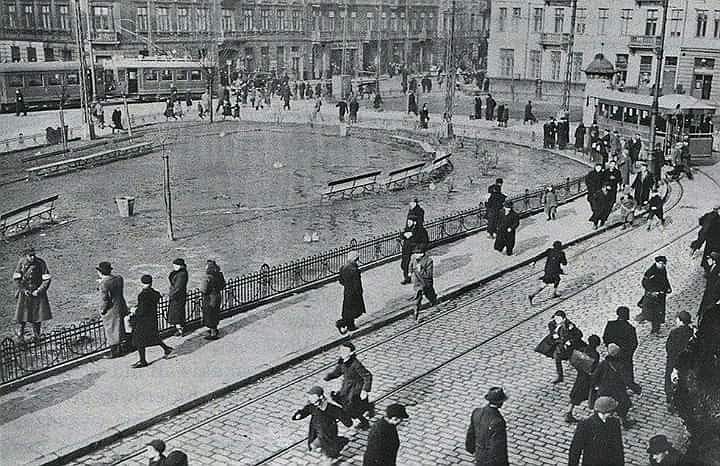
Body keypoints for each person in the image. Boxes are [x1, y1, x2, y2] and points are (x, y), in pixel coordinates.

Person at [292, 386, 352, 464]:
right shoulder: (312, 405)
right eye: (310, 396)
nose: (310, 398)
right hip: (315, 431)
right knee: (313, 446)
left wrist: (347, 422)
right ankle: (338, 444)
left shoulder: (330, 407)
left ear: (320, 397)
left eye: (313, 396)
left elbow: (341, 414)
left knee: (327, 452)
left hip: (327, 432)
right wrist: (299, 414)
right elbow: (306, 410)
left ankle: (332, 454)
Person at [323, 342, 374, 429]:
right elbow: (337, 372)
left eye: (345, 351)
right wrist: (328, 377)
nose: (342, 353)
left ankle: (364, 422)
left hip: (355, 389)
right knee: (340, 400)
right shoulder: (342, 361)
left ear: (351, 353)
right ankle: (359, 414)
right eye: (341, 350)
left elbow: (367, 375)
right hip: (346, 386)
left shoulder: (355, 364)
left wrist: (365, 390)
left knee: (350, 407)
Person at [129, 275, 174, 368]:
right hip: (152, 319)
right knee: (152, 336)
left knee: (139, 340)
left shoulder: (143, 295)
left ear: (141, 283)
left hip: (143, 321)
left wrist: (134, 310)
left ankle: (143, 361)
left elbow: (142, 310)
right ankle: (166, 349)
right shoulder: (155, 293)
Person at [591, 344, 637, 428]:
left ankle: (601, 422)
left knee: (603, 406)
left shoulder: (603, 363)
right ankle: (624, 421)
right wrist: (636, 388)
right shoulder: (621, 365)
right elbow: (627, 380)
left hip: (604, 390)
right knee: (625, 404)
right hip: (617, 391)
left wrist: (596, 385)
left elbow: (595, 376)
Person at [568, 396, 624, 466]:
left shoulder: (615, 423)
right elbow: (575, 450)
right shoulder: (585, 425)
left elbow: (618, 448)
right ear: (608, 412)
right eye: (613, 411)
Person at [13, 247, 52, 342]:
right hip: (25, 293)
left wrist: (39, 290)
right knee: (22, 315)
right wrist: (23, 289)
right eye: (30, 255)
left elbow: (46, 279)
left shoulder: (41, 263)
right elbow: (16, 278)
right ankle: (20, 335)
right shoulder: (21, 263)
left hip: (36, 293)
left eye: (34, 255)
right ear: (26, 256)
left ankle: (37, 335)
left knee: (37, 315)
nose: (33, 257)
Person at [465, 387, 509, 466]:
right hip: (492, 461)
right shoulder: (498, 422)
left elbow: (471, 433)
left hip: (479, 455)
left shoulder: (477, 412)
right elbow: (498, 448)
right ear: (500, 403)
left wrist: (471, 448)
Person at [565, 335, 601, 423]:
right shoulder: (595, 354)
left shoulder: (582, 349)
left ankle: (569, 412)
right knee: (593, 395)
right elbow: (593, 368)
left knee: (576, 395)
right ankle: (597, 415)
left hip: (580, 375)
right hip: (588, 379)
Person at [96, 261, 128, 358]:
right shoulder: (119, 278)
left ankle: (115, 352)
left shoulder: (104, 284)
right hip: (120, 306)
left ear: (101, 272)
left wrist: (102, 310)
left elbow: (105, 299)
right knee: (119, 327)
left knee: (111, 329)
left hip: (111, 309)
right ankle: (121, 347)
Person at [665, 311, 693, 412]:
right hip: (685, 361)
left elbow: (669, 347)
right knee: (682, 380)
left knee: (670, 380)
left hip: (673, 361)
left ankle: (670, 401)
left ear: (680, 321)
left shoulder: (674, 332)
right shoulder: (691, 331)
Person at [602, 306, 639, 385]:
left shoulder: (610, 324)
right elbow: (634, 344)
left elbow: (605, 337)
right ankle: (628, 385)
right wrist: (627, 353)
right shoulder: (630, 328)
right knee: (627, 371)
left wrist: (610, 347)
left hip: (613, 353)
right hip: (625, 356)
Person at [547, 310, 584, 384]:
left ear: (564, 319)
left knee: (574, 361)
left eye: (558, 319)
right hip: (560, 345)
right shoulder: (552, 324)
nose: (556, 321)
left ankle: (582, 374)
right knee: (557, 358)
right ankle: (560, 376)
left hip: (570, 346)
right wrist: (554, 335)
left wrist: (570, 341)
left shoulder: (570, 325)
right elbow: (551, 332)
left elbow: (579, 334)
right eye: (555, 319)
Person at [639, 256, 672, 335]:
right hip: (653, 296)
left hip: (661, 295)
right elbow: (644, 283)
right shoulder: (651, 271)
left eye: (664, 264)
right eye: (661, 263)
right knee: (655, 313)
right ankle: (654, 330)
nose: (663, 265)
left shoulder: (662, 269)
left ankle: (655, 328)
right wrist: (652, 292)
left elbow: (665, 279)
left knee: (659, 312)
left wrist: (668, 287)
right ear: (657, 263)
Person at [337, 250, 366, 334]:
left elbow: (341, 281)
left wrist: (347, 285)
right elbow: (357, 284)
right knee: (356, 310)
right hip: (354, 293)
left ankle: (351, 326)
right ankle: (341, 323)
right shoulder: (354, 270)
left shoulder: (343, 267)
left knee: (348, 309)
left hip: (347, 291)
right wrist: (359, 292)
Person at [410, 245, 438, 321]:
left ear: (422, 254)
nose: (416, 255)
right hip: (417, 282)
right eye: (415, 253)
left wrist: (421, 270)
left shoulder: (429, 261)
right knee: (417, 298)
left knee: (430, 295)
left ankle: (434, 302)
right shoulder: (414, 258)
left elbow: (428, 275)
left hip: (426, 283)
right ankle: (416, 313)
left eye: (418, 254)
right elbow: (411, 264)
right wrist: (410, 272)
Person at [200, 260, 225, 340]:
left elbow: (203, 289)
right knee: (215, 313)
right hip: (217, 296)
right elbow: (223, 285)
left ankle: (213, 333)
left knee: (209, 314)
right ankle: (214, 329)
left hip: (209, 298)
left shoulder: (207, 277)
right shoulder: (219, 274)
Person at [690, 205, 720, 271]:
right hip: (715, 243)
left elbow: (701, 222)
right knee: (713, 258)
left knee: (708, 256)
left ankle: (707, 269)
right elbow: (704, 231)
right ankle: (710, 270)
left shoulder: (708, 215)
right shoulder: (715, 219)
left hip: (710, 242)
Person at [400, 216, 428, 284]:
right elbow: (402, 235)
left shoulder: (420, 230)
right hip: (406, 250)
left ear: (414, 222)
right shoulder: (407, 228)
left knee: (416, 265)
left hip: (415, 250)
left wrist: (419, 249)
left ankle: (420, 278)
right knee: (404, 264)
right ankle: (407, 278)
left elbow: (425, 240)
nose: (408, 223)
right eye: (408, 222)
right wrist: (404, 235)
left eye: (410, 222)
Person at [167, 258, 188, 337]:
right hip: (178, 297)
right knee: (177, 313)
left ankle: (180, 329)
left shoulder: (181, 274)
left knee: (176, 314)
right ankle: (180, 328)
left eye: (176, 265)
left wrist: (171, 295)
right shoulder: (180, 273)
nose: (174, 266)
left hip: (177, 298)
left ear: (180, 265)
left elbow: (178, 287)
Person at [698, 251, 720, 324]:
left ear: (714, 260)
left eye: (709, 258)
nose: (708, 260)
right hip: (708, 292)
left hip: (712, 293)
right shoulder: (712, 266)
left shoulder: (717, 269)